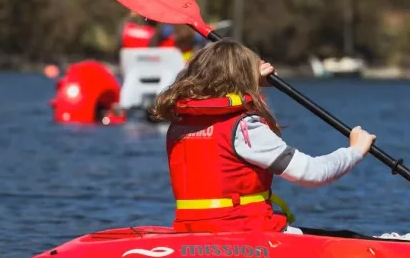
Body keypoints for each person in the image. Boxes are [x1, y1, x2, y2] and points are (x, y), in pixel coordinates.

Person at [152, 38, 376, 234]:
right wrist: (354, 151)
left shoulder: (180, 123)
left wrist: (250, 84)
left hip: (193, 233)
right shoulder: (244, 127)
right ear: (244, 78)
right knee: (350, 238)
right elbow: (312, 173)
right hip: (247, 235)